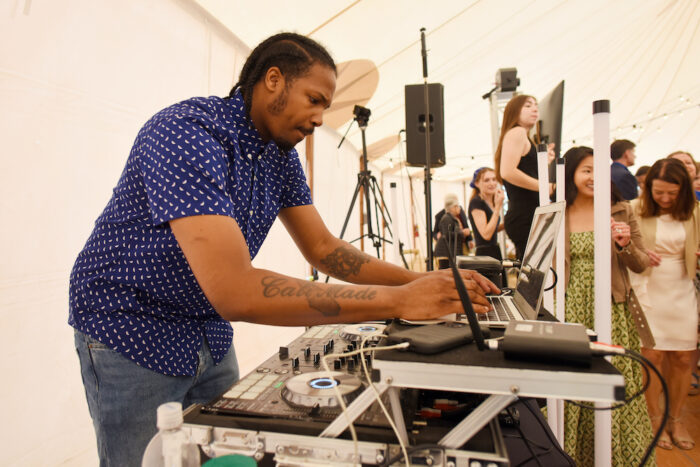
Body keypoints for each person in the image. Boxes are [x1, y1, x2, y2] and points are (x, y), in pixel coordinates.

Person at [68, 32, 498, 467]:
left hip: (207, 331)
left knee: (223, 458)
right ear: (273, 79)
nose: (319, 119)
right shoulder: (186, 133)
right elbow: (235, 290)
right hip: (131, 330)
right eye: (314, 100)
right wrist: (399, 300)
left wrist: (422, 281)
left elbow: (324, 248)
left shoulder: (280, 155)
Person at [560, 147, 654, 466]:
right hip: (571, 309)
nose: (593, 177)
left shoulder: (621, 209)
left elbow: (641, 263)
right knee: (575, 382)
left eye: (598, 170)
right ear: (572, 173)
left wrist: (624, 246)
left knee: (615, 380)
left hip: (613, 308)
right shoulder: (558, 212)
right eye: (586, 170)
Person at [629, 157, 699, 451]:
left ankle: (676, 418)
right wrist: (639, 251)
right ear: (648, 188)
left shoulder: (694, 211)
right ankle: (654, 418)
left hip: (681, 287)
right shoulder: (634, 209)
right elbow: (622, 247)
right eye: (659, 192)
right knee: (652, 355)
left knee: (683, 356)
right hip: (647, 287)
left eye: (672, 193)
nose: (666, 199)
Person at [495, 94, 554, 260]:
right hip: (524, 216)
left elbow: (525, 171)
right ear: (514, 111)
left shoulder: (523, 136)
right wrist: (546, 187)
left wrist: (545, 162)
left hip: (526, 215)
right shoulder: (517, 132)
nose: (534, 109)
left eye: (536, 105)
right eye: (528, 106)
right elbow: (507, 172)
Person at [467, 167, 505, 260]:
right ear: (477, 183)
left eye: (494, 179)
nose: (492, 183)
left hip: (495, 250)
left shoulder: (492, 202)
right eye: (486, 180)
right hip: (484, 254)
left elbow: (493, 229)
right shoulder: (476, 203)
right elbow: (486, 235)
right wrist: (497, 207)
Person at [434, 196, 466, 268]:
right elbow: (447, 234)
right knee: (445, 272)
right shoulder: (447, 218)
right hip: (445, 252)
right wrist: (462, 233)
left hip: (449, 251)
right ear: (452, 208)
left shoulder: (451, 218)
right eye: (457, 206)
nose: (459, 208)